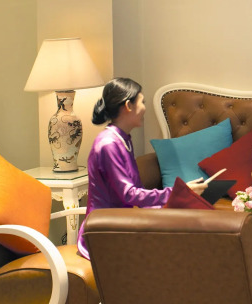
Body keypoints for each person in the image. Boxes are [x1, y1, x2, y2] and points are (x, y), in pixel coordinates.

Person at [76, 77, 207, 259]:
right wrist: (177, 192)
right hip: (105, 230)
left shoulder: (123, 139)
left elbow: (134, 194)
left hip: (122, 220)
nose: (144, 108)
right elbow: (130, 195)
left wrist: (176, 197)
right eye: (142, 102)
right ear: (128, 106)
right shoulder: (108, 144)